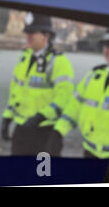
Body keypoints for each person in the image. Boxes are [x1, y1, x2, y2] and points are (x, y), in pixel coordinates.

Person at [1, 12, 75, 156]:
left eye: (32, 33)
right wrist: (7, 116)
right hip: (21, 130)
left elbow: (64, 98)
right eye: (27, 32)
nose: (28, 36)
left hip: (45, 132)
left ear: (46, 36)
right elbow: (16, 90)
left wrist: (40, 117)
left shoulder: (59, 62)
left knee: (42, 177)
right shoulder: (24, 57)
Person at [47, 29, 109, 158]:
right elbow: (74, 107)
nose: (107, 50)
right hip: (89, 153)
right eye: (106, 45)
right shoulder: (93, 76)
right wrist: (58, 132)